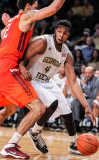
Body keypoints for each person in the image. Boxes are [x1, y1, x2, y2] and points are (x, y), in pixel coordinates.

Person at [0, 0, 66, 159]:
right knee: (39, 109)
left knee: (10, 110)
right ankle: (10, 146)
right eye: (35, 5)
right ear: (28, 6)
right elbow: (53, 8)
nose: (37, 9)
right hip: (9, 68)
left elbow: (7, 35)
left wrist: (8, 23)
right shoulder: (27, 16)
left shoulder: (12, 22)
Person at [19, 20, 95, 155]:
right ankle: (35, 132)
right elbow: (21, 57)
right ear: (55, 31)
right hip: (32, 79)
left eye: (65, 34)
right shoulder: (43, 42)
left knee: (66, 111)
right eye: (59, 32)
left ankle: (73, 143)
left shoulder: (67, 54)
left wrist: (86, 106)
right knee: (53, 103)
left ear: (68, 35)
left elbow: (72, 82)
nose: (61, 35)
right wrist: (22, 67)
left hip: (47, 81)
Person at [71, 66, 99, 132]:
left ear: (93, 73)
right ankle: (76, 122)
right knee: (75, 100)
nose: (87, 75)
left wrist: (85, 86)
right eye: (86, 73)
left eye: (89, 73)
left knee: (89, 101)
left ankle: (88, 123)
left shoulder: (97, 81)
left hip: (91, 101)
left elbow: (93, 96)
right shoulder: (83, 79)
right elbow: (80, 92)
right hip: (84, 100)